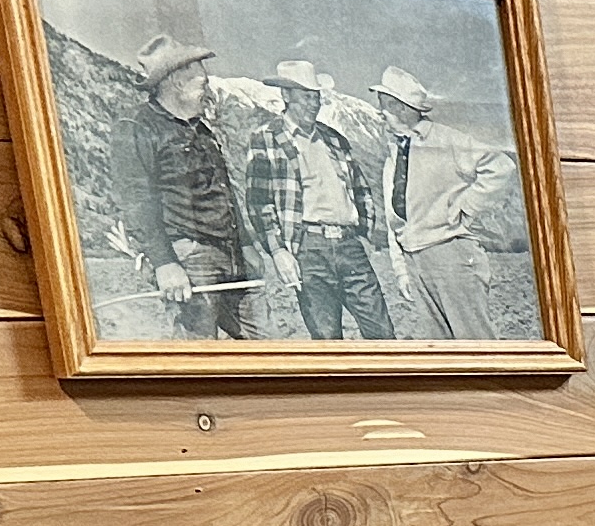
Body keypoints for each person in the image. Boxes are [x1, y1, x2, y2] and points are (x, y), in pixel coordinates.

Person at [367, 65, 525, 341]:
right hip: (416, 262)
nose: (380, 113)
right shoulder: (394, 154)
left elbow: (500, 166)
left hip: (451, 256)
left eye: (385, 106)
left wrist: (466, 207)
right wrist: (402, 270)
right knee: (441, 346)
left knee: (475, 342)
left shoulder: (445, 139)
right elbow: (395, 220)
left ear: (401, 108)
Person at [256, 58, 396, 342]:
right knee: (326, 338)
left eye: (316, 97)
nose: (314, 104)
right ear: (286, 95)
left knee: (382, 334)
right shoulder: (267, 138)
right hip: (308, 248)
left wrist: (364, 235)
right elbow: (259, 202)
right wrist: (279, 251)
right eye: (306, 97)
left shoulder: (334, 139)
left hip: (349, 244)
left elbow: (360, 189)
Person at [130, 35, 253, 341]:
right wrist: (165, 263)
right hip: (189, 259)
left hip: (231, 254)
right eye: (203, 84)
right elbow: (136, 201)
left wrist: (247, 244)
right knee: (200, 349)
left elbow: (224, 192)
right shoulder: (139, 127)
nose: (208, 92)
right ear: (177, 83)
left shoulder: (202, 131)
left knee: (265, 345)